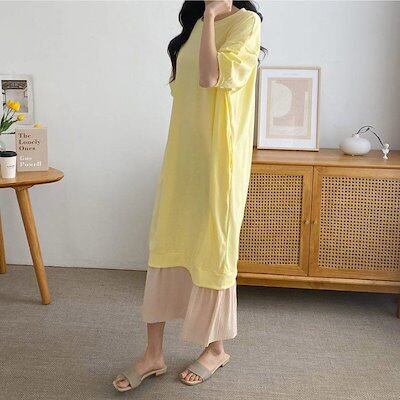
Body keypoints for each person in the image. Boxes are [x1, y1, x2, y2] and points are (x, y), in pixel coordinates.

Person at [113, 0, 263, 391]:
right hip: (184, 155)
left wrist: (211, 16)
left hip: (219, 160)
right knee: (167, 242)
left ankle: (216, 348)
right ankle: (153, 354)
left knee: (212, 248)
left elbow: (210, 78)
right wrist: (204, 18)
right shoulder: (195, 25)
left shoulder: (246, 23)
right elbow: (182, 90)